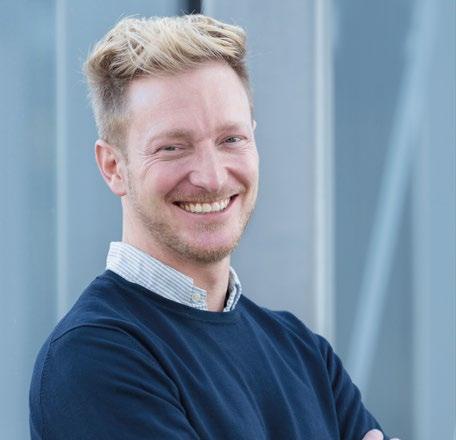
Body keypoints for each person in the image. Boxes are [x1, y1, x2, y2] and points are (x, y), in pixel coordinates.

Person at [29, 15, 395, 440]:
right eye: (172, 147)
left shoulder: (305, 354)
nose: (212, 177)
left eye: (231, 140)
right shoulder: (92, 357)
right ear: (113, 166)